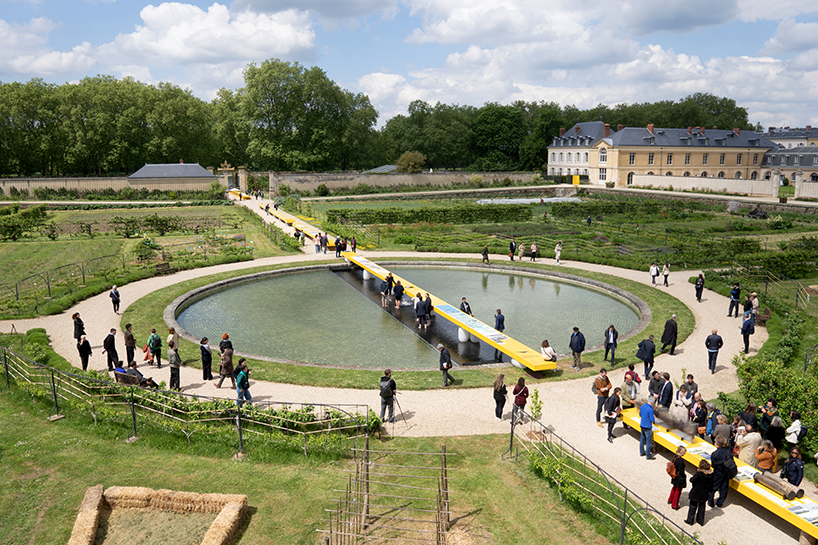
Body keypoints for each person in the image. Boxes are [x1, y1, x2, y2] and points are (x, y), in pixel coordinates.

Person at [685, 460, 714, 526]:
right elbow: (712, 484)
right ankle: (700, 521)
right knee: (702, 507)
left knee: (693, 507)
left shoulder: (699, 474)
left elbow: (692, 480)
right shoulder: (711, 474)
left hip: (696, 492)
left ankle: (690, 520)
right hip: (704, 493)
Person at [708, 435, 732, 508]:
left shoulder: (714, 454)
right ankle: (719, 503)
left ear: (716, 443)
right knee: (724, 489)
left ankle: (711, 502)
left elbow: (713, 465)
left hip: (718, 473)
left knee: (713, 488)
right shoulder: (729, 453)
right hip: (726, 473)